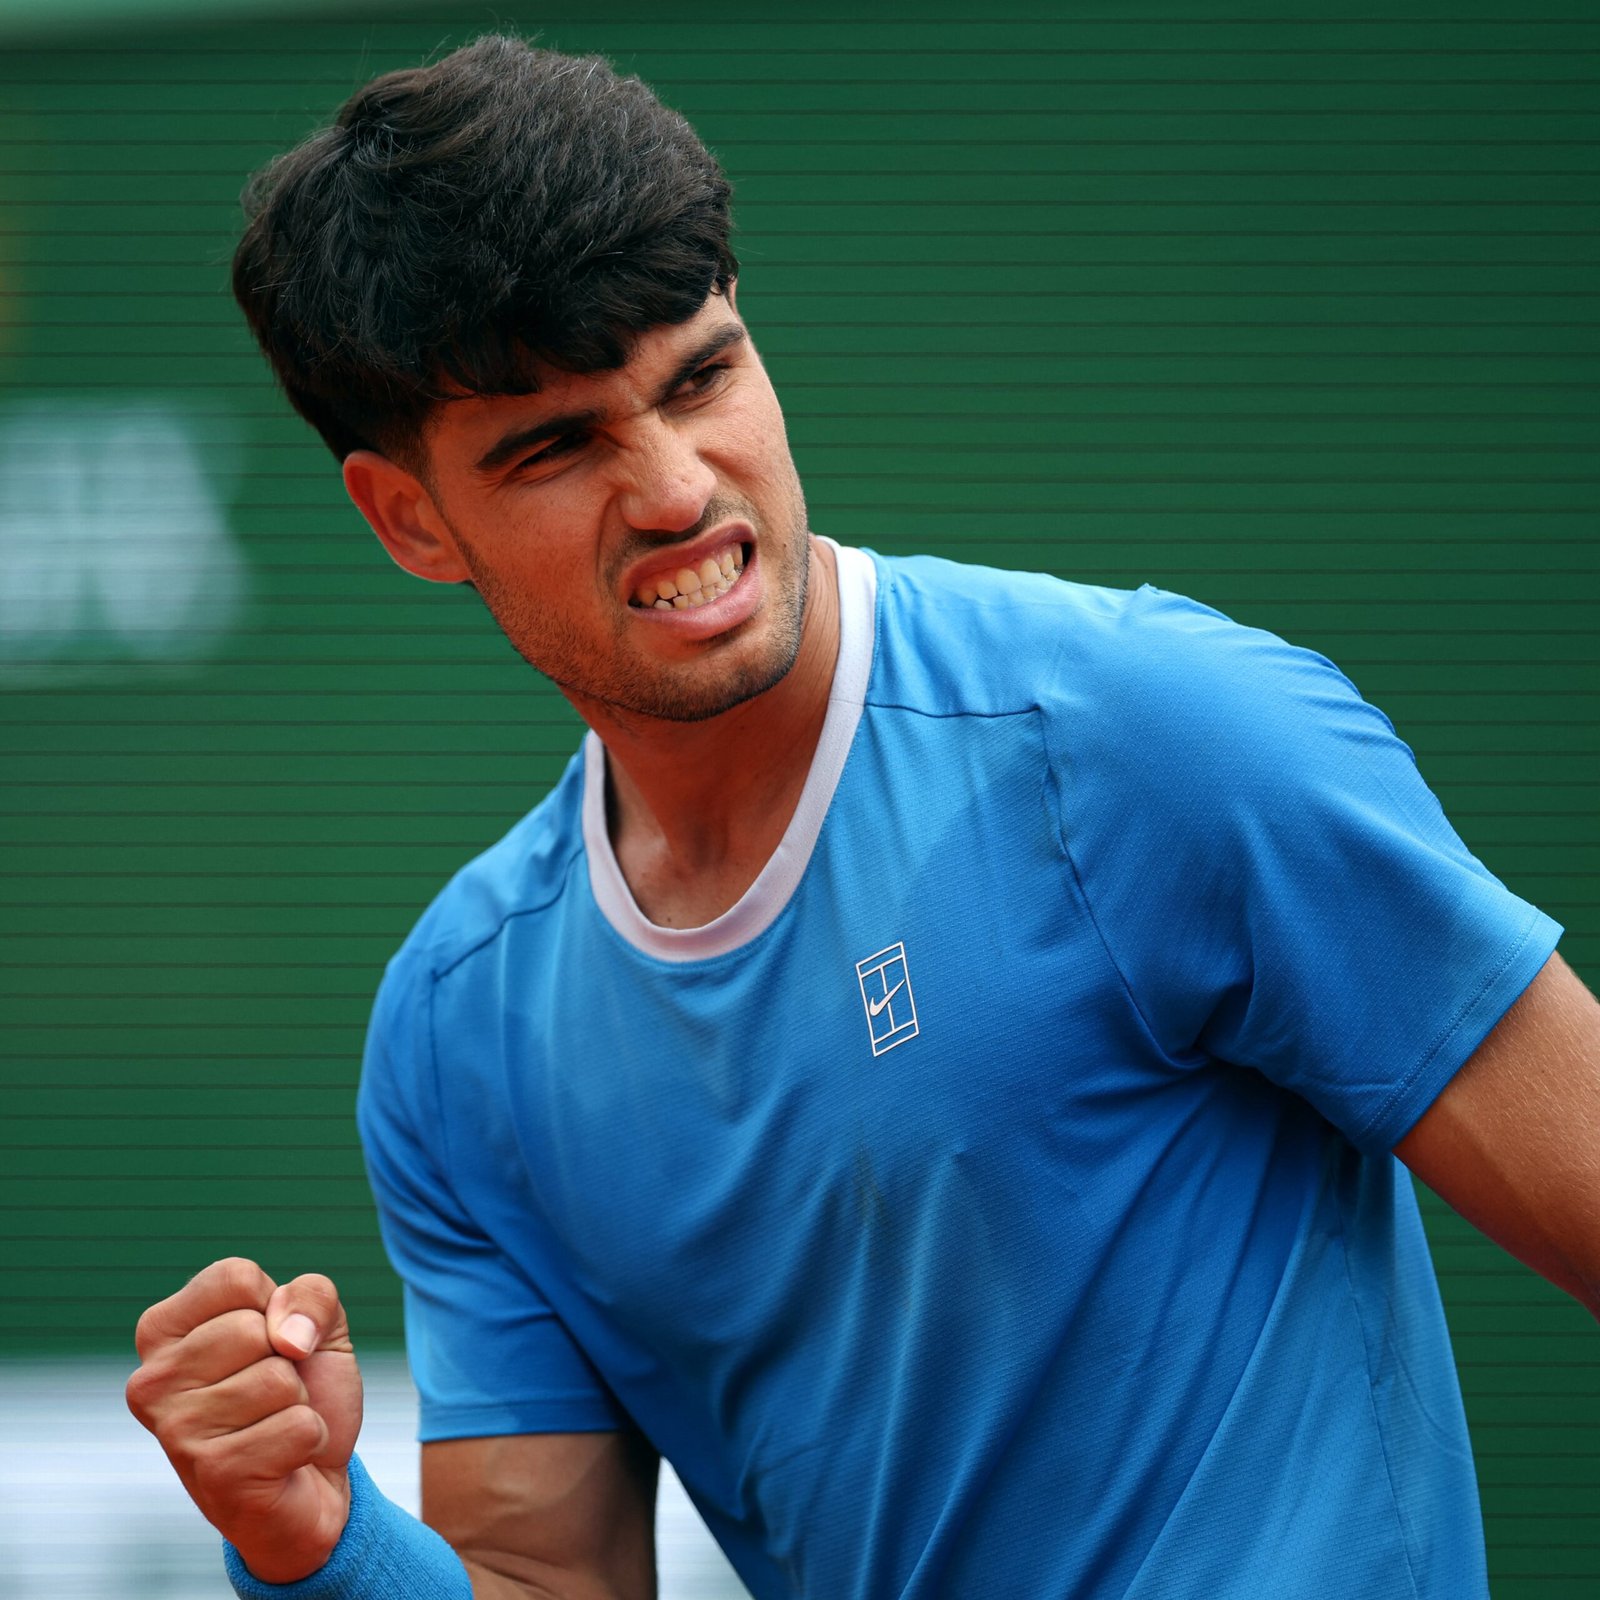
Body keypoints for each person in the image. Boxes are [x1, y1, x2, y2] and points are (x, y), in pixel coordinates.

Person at [125, 33, 1600, 1600]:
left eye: (701, 377)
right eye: (558, 446)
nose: (678, 490)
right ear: (410, 517)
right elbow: (543, 1576)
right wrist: (316, 1544)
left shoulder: (1153, 737)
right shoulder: (458, 1030)